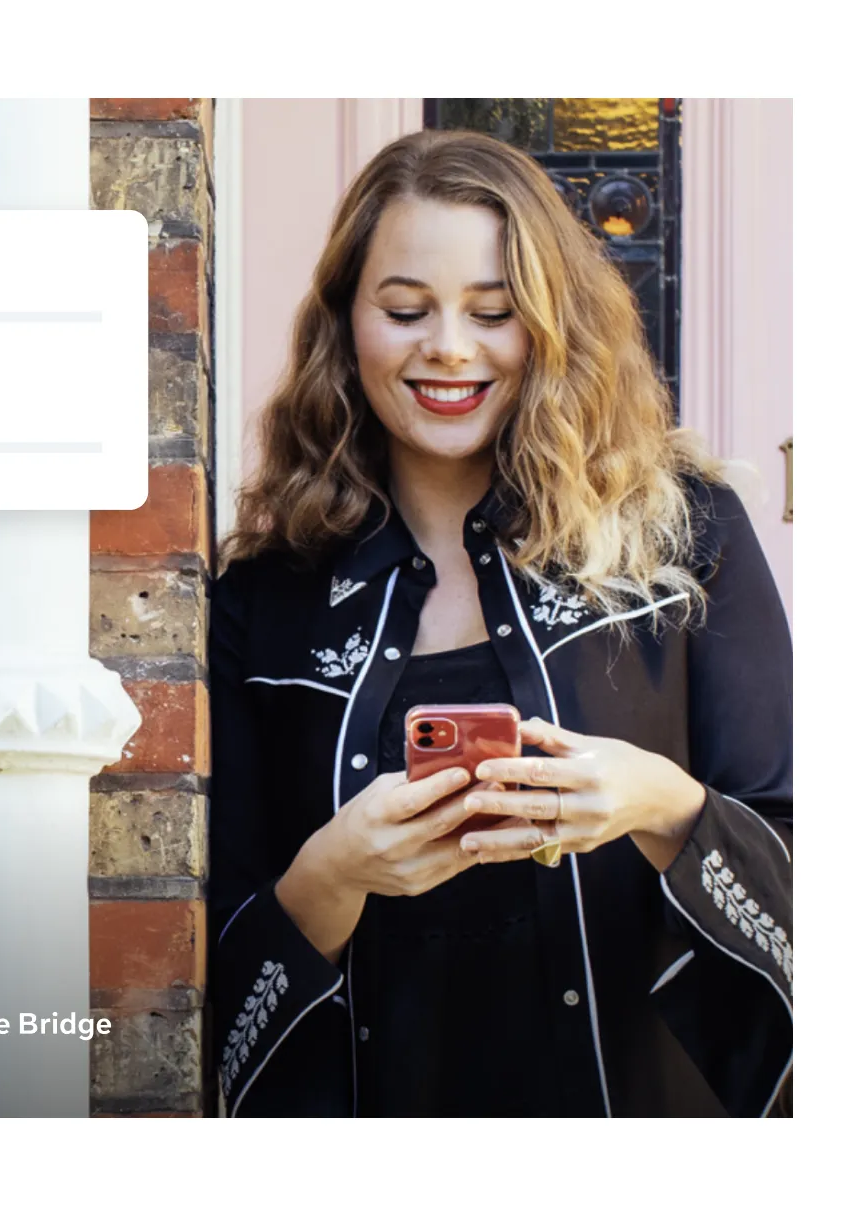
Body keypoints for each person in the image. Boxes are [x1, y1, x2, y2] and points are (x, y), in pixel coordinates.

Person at [209, 130, 792, 1118]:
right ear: (346, 321)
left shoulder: (685, 537)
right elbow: (196, 952)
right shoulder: (266, 598)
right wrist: (334, 876)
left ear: (553, 326)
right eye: (404, 309)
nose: (447, 346)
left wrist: (661, 806)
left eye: (493, 312)